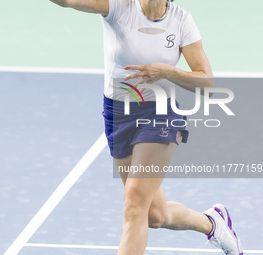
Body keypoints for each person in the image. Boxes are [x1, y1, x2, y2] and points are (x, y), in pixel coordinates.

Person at [49, 0, 243, 255]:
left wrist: (168, 72)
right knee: (154, 215)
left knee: (133, 205)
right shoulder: (118, 7)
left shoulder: (182, 21)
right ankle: (212, 223)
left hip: (160, 113)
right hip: (119, 114)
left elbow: (207, 84)